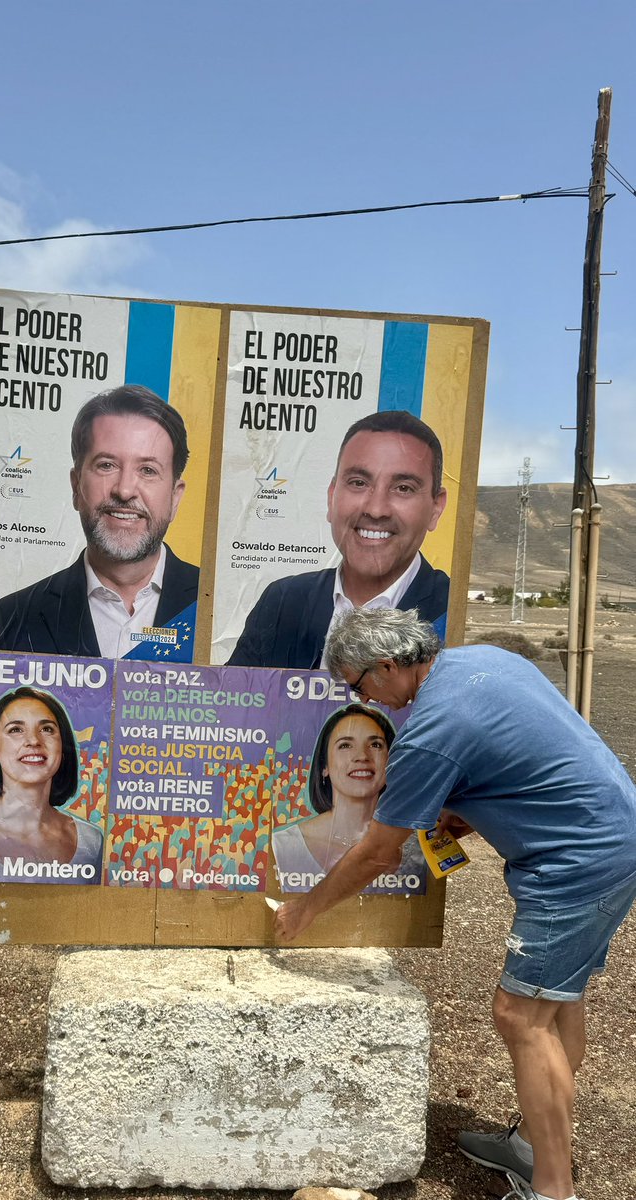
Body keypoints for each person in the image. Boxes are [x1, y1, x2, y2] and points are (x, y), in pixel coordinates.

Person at [275, 607, 636, 1200]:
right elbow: (521, 764)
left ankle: (552, 1188)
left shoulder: (431, 731)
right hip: (612, 834)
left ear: (388, 666)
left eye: (359, 684)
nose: (364, 698)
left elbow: (377, 855)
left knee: (521, 1016)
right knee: (558, 1000)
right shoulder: (485, 662)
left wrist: (306, 908)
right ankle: (535, 1146)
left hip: (575, 864)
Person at [0, 385, 199, 659]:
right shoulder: (13, 617)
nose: (124, 490)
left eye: (147, 470)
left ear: (175, 497)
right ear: (76, 487)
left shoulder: (216, 608)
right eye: (107, 465)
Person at [228, 410, 449, 669]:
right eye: (358, 483)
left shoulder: (452, 614)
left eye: (403, 488)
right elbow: (232, 704)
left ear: (436, 508)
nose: (376, 509)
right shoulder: (282, 602)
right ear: (332, 496)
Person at [0, 686, 102, 883]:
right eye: (15, 729)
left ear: (63, 748)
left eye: (47, 729)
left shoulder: (91, 841)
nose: (33, 740)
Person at [273, 703, 424, 894]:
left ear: (391, 761)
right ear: (324, 766)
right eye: (345, 745)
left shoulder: (419, 847)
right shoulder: (282, 847)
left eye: (375, 744)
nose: (362, 756)